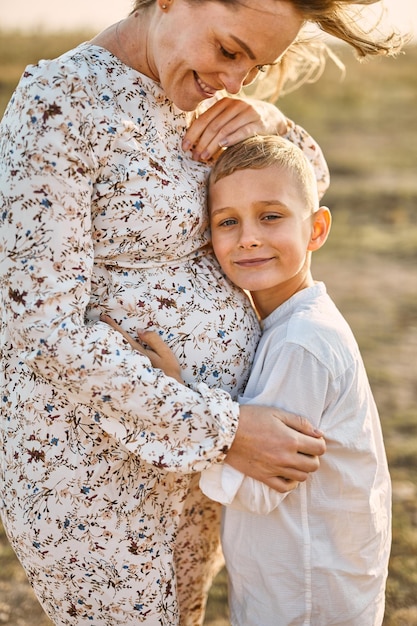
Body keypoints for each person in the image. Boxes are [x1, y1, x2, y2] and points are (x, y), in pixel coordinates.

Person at [0, 1, 402, 625]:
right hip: (96, 465)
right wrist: (225, 429)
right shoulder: (61, 104)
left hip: (204, 468)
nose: (235, 79)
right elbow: (43, 329)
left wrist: (263, 119)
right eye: (230, 51)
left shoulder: (197, 94)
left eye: (257, 66)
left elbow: (304, 182)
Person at [123, 135, 392, 625]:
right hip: (291, 577)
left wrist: (178, 402)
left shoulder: (301, 343)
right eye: (228, 222)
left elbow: (260, 486)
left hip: (309, 592)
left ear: (316, 228)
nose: (248, 237)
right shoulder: (287, 325)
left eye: (271, 216)